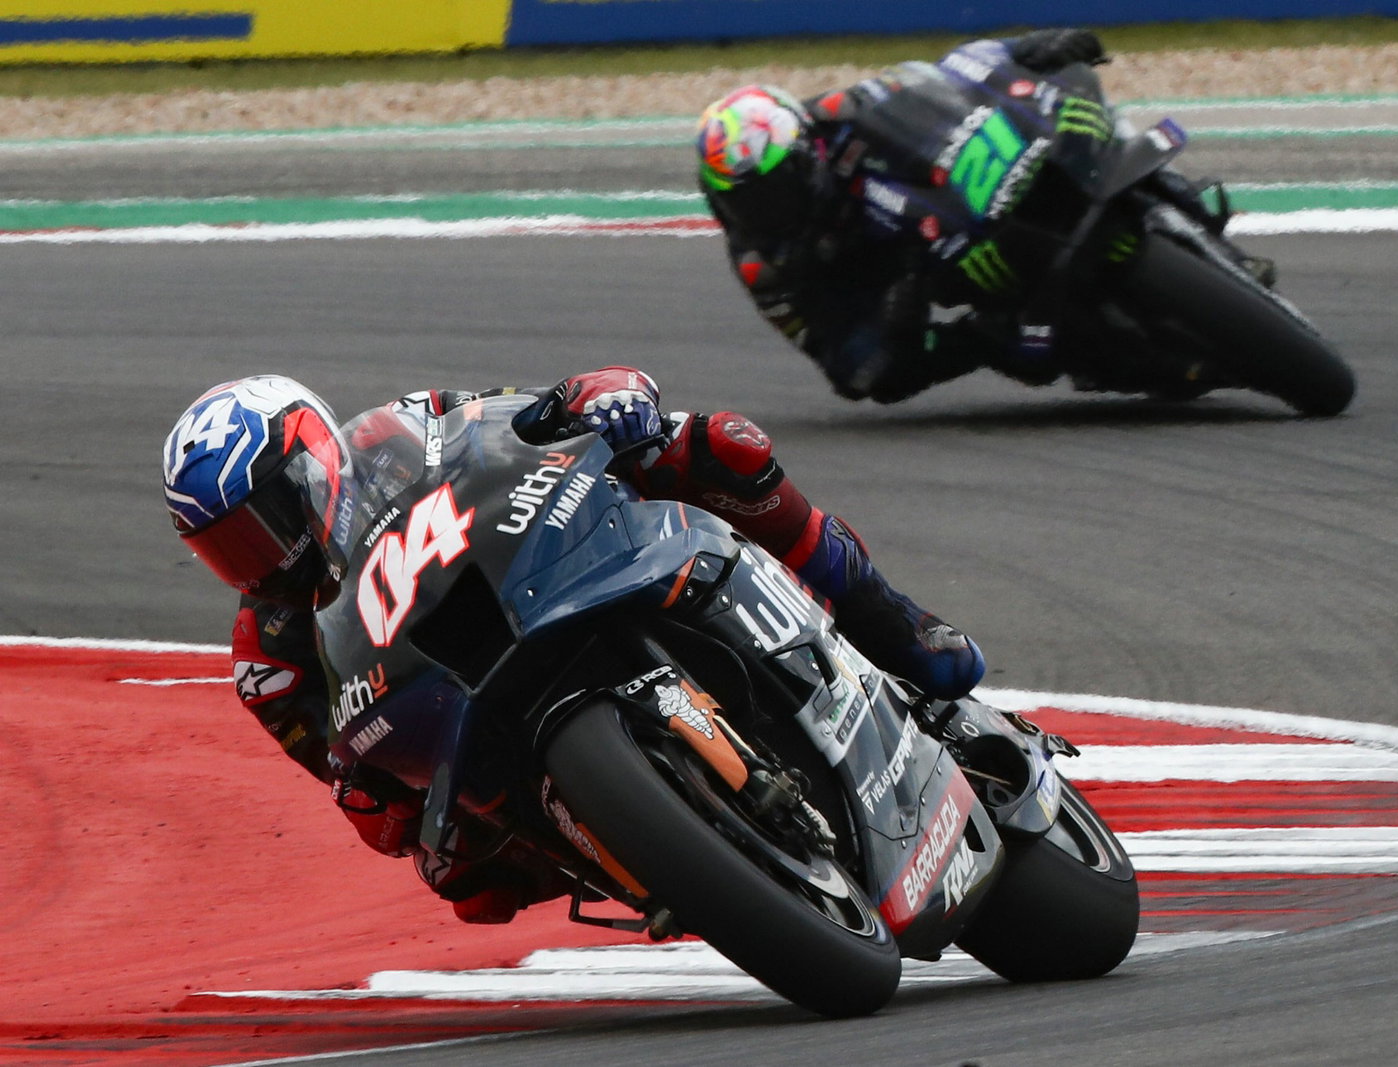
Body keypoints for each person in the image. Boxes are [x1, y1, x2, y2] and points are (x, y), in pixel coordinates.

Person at [161, 367, 984, 923]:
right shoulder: (269, 657)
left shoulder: (398, 431)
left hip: (539, 572)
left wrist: (599, 397)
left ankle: (892, 621)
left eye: (266, 521)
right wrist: (372, 802)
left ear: (314, 461)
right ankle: (667, 854)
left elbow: (522, 418)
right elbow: (348, 774)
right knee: (462, 881)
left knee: (711, 443)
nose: (263, 559)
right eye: (229, 548)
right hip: (454, 709)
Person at [695, 28, 1267, 404]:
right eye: (747, 200)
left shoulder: (844, 112)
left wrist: (1030, 50)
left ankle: (1189, 213)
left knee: (1092, 132)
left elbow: (956, 74)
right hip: (938, 280)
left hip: (984, 195)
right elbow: (853, 372)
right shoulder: (764, 264)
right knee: (1025, 352)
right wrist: (902, 324)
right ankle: (1131, 356)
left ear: (807, 154)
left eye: (774, 189)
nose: (765, 209)